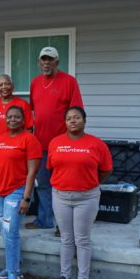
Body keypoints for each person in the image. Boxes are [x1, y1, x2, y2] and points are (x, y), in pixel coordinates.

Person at [48, 106, 112, 279]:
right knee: (66, 238)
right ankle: (64, 277)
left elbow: (106, 169)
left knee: (82, 239)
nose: (73, 121)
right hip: (61, 196)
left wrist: (90, 183)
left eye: (77, 117)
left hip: (87, 197)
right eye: (69, 118)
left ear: (84, 120)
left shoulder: (96, 144)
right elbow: (52, 167)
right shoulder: (55, 143)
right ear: (65, 122)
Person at [27, 47, 83, 235]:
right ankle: (44, 220)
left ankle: (63, 225)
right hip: (41, 144)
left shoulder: (69, 82)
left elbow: (76, 113)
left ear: (57, 62)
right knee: (42, 183)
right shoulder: (35, 83)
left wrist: (74, 140)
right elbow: (33, 111)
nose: (46, 63)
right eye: (43, 59)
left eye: (50, 60)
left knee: (63, 185)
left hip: (63, 144)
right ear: (39, 62)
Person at [0, 106, 41, 279]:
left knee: (10, 231)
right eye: (9, 117)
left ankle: (12, 273)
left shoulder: (29, 139)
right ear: (5, 119)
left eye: (17, 117)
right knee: (5, 230)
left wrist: (26, 198)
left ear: (23, 120)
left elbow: (32, 172)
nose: (12, 119)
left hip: (17, 190)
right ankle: (13, 265)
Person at [0, 74, 33, 169]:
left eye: (7, 84)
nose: (4, 87)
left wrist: (27, 154)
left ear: (12, 86)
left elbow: (29, 130)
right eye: (1, 85)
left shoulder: (22, 104)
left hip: (16, 156)